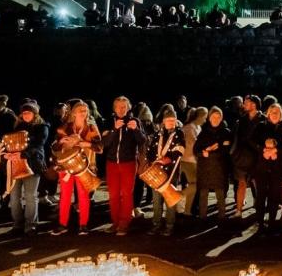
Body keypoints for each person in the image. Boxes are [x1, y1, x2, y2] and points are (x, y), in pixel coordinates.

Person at [52, 102, 102, 235]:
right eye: (80, 110)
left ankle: (83, 225)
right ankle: (63, 224)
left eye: (85, 110)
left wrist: (82, 142)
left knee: (83, 195)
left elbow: (99, 148)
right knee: (65, 195)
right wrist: (60, 142)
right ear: (73, 113)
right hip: (66, 165)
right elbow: (55, 146)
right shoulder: (65, 127)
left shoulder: (91, 128)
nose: (83, 113)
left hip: (84, 166)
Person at [101, 96, 144, 236]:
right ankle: (115, 222)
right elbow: (105, 143)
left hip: (129, 163)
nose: (121, 109)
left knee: (126, 194)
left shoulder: (134, 121)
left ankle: (124, 223)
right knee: (113, 194)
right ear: (114, 108)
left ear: (128, 108)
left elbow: (143, 140)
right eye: (118, 107)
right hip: (112, 162)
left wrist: (136, 130)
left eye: (124, 107)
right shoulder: (108, 121)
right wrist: (114, 129)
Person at [7, 100, 49, 237]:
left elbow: (38, 145)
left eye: (29, 112)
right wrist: (8, 153)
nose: (26, 115)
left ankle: (31, 225)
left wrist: (23, 153)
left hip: (33, 164)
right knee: (14, 196)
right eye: (24, 112)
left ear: (35, 113)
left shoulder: (42, 127)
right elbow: (11, 143)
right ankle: (17, 224)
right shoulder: (17, 126)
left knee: (30, 195)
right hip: (16, 164)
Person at [253, 103, 282, 230]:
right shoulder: (261, 126)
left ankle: (271, 221)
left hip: (277, 167)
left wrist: (277, 152)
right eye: (272, 112)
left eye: (277, 112)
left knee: (274, 195)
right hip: (262, 166)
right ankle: (259, 222)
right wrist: (263, 150)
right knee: (261, 195)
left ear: (281, 114)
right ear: (268, 113)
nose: (275, 114)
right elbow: (251, 141)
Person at [148, 107, 185, 236]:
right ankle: (156, 224)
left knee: (170, 198)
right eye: (169, 120)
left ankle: (169, 225)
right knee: (156, 200)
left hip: (171, 171)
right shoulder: (159, 134)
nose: (171, 122)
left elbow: (180, 150)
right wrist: (153, 161)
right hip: (157, 171)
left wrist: (169, 158)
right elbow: (151, 150)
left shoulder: (179, 133)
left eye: (173, 120)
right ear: (163, 121)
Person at [231, 95, 264, 219]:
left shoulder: (263, 119)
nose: (243, 104)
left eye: (246, 102)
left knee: (258, 183)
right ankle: (238, 210)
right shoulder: (242, 120)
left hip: (257, 156)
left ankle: (259, 208)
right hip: (242, 157)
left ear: (254, 104)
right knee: (241, 183)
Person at [179, 107, 208, 216]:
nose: (205, 120)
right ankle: (180, 195)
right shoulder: (190, 128)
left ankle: (187, 211)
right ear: (199, 117)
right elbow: (193, 145)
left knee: (193, 185)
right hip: (188, 160)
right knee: (195, 184)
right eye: (204, 117)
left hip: (193, 160)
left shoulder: (197, 127)